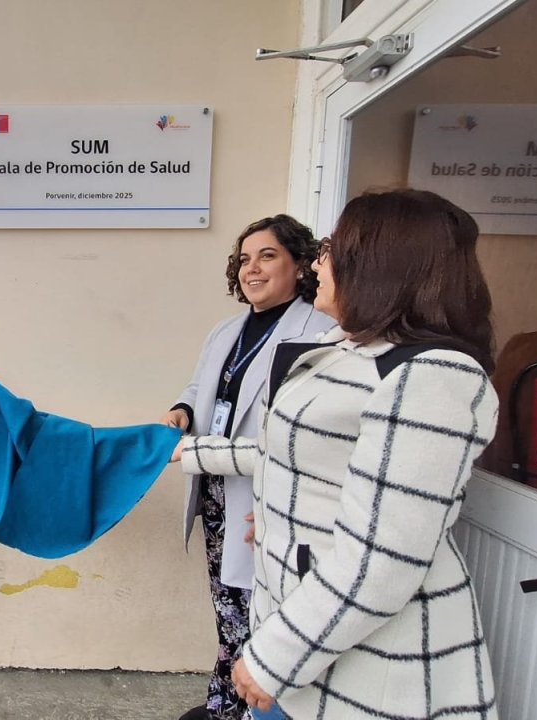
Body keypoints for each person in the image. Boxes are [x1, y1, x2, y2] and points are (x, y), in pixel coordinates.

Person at [175, 189, 500, 718]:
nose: (317, 264)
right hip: (301, 631)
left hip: (360, 667)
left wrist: (273, 657)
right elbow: (293, 453)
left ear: (378, 263)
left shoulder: (431, 375)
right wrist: (272, 504)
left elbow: (384, 558)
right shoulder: (347, 351)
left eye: (330, 248)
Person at [160, 215, 334, 720]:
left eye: (267, 256)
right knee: (230, 607)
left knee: (264, 612)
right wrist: (183, 409)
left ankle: (245, 708)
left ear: (300, 264)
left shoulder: (319, 332)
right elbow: (201, 387)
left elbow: (302, 436)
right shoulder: (228, 330)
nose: (251, 268)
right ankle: (227, 702)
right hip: (218, 491)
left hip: (270, 496)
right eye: (244, 259)